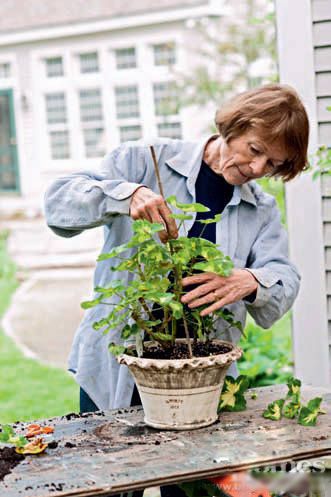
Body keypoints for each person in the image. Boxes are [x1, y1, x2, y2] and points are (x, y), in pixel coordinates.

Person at [44, 83, 308, 496]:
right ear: (233, 126)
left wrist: (251, 280)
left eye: (273, 164)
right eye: (255, 150)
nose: (258, 169)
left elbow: (285, 276)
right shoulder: (144, 161)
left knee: (188, 489)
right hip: (116, 361)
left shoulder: (261, 209)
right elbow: (59, 204)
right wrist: (124, 194)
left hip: (201, 376)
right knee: (109, 484)